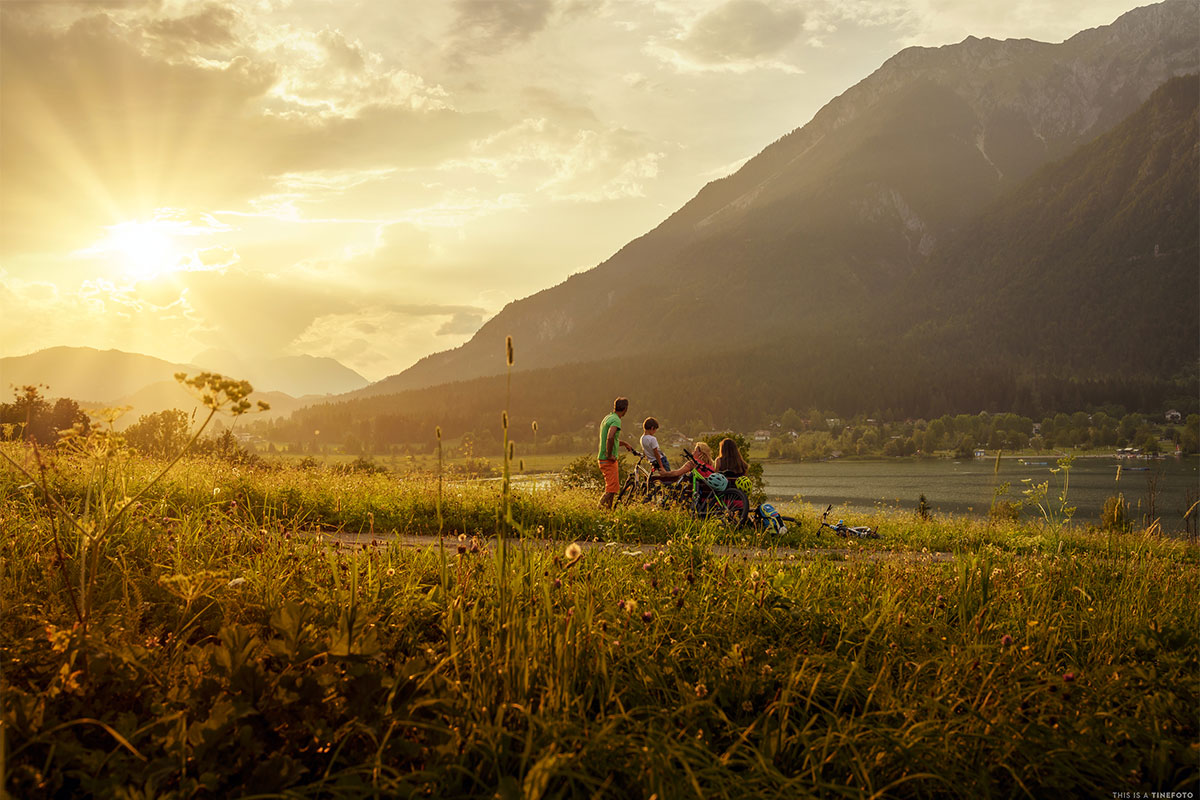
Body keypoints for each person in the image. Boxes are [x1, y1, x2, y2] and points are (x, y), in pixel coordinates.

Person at [597, 397, 634, 508]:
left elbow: (612, 439)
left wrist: (625, 444)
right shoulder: (616, 420)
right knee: (610, 490)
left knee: (612, 488)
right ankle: (598, 510)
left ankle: (609, 512)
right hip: (607, 459)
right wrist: (609, 455)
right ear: (625, 409)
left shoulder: (608, 417)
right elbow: (610, 437)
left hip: (604, 458)